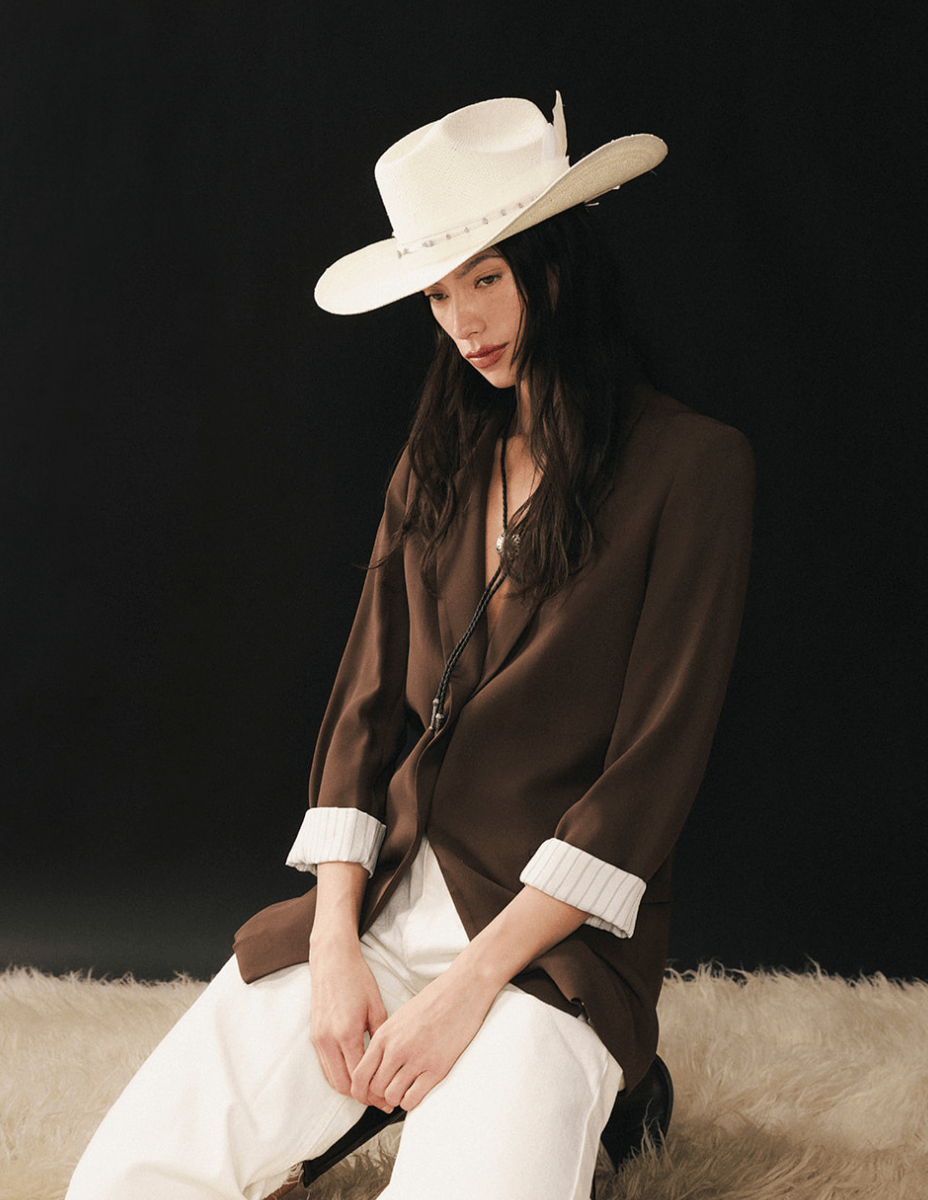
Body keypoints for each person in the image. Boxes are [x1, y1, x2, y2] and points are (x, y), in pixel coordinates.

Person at [66, 93, 754, 1200]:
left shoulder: (693, 468)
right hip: (384, 905)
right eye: (438, 293)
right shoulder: (435, 466)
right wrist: (336, 944)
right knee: (126, 1181)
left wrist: (469, 988)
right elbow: (364, 709)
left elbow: (648, 775)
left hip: (548, 955)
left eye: (486, 277)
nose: (464, 322)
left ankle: (612, 1095)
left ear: (557, 266)